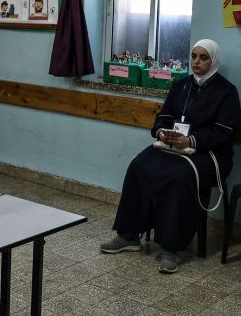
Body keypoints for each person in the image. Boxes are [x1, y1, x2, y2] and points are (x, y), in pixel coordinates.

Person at [100, 39, 240, 273]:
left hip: (211, 155)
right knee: (139, 165)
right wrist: (162, 132)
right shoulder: (180, 85)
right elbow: (164, 116)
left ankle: (170, 248)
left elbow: (223, 132)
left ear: (214, 60)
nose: (196, 62)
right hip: (175, 148)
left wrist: (192, 140)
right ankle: (128, 235)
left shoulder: (226, 92)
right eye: (194, 56)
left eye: (203, 58)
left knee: (178, 176)